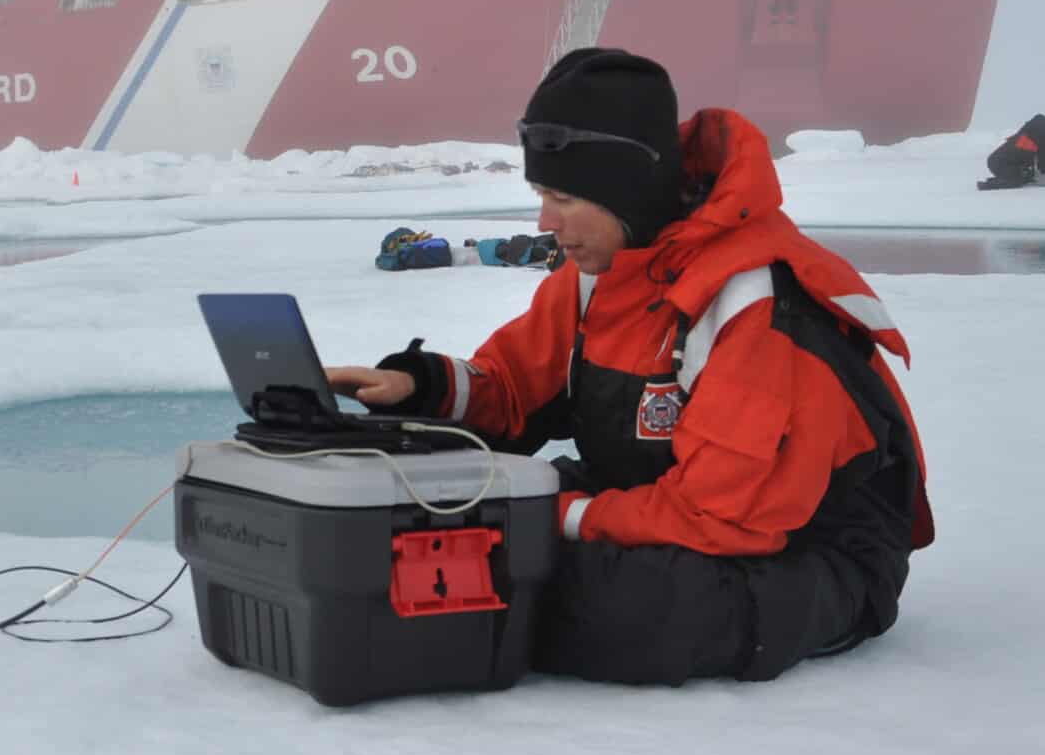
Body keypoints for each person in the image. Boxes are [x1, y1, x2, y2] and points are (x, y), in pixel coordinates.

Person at [326, 49, 933, 686]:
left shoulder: (752, 302)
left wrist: (554, 515)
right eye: (541, 194)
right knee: (480, 529)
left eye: (563, 197)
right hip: (660, 504)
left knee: (633, 609)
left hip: (809, 550)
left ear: (628, 190)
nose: (545, 222)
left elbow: (721, 519)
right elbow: (511, 389)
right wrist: (418, 386)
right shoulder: (599, 276)